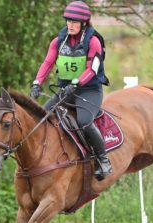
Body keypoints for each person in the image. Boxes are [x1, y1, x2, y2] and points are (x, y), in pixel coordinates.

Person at [29, 1, 112, 180]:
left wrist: (76, 83)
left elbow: (92, 69)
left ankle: (103, 159)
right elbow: (48, 63)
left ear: (84, 23)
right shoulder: (59, 41)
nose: (70, 25)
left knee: (84, 120)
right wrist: (37, 83)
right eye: (68, 21)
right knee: (42, 116)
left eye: (74, 22)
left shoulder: (94, 41)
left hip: (89, 90)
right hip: (66, 90)